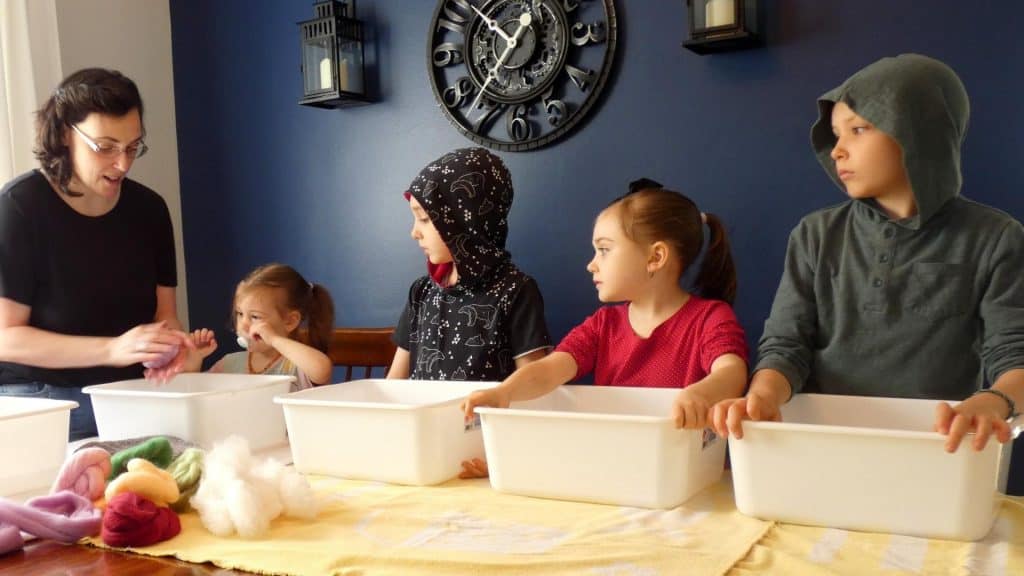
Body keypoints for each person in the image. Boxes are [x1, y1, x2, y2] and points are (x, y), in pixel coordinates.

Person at [712, 54, 1024, 456]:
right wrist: (763, 395)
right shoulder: (814, 235)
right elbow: (787, 344)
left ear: (919, 134)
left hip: (935, 453)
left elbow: (1014, 355)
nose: (838, 150)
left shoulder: (996, 238)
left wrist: (994, 402)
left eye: (859, 129)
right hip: (821, 447)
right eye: (837, 134)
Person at [462, 182, 749, 433]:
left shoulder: (710, 318)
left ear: (655, 257)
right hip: (612, 465)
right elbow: (549, 370)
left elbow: (732, 372)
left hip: (679, 472)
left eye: (604, 249)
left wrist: (700, 395)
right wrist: (504, 392)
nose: (591, 264)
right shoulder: (603, 324)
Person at [0, 68, 191, 441]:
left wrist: (166, 349)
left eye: (133, 146)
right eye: (105, 147)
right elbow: (6, 338)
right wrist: (113, 349)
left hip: (129, 394)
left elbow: (165, 317)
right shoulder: (20, 208)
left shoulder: (150, 209)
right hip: (44, 401)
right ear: (65, 136)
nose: (123, 163)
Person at [386, 147, 551, 382]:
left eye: (424, 218)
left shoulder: (516, 291)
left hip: (486, 419)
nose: (414, 232)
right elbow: (395, 382)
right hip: (422, 418)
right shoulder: (421, 293)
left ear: (464, 221)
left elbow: (533, 383)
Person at [185, 264, 334, 391]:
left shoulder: (298, 365)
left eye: (255, 317)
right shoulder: (228, 364)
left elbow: (322, 370)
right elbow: (197, 396)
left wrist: (274, 339)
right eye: (239, 313)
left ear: (290, 321)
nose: (243, 324)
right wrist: (194, 361)